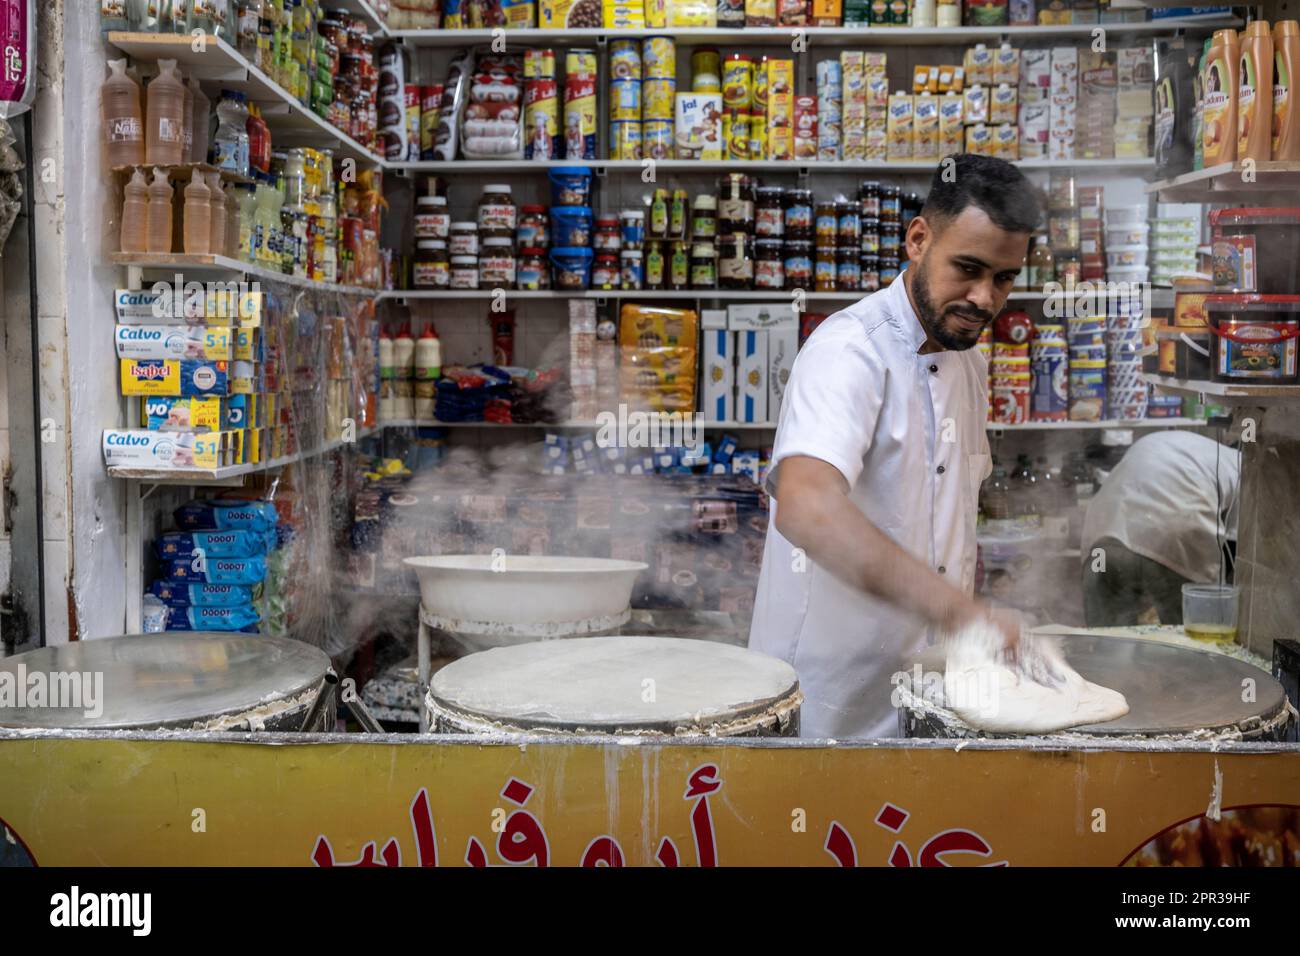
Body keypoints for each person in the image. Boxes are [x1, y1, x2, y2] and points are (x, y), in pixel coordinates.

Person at [748, 154, 1041, 739]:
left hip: (931, 706)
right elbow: (806, 506)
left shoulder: (970, 363)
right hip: (826, 714)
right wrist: (963, 615)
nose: (985, 298)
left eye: (1004, 278)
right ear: (917, 239)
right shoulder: (850, 351)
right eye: (968, 268)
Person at [1080, 430, 1239, 626]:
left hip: (1104, 532)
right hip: (1172, 532)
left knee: (1106, 638)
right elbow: (1236, 551)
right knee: (1187, 641)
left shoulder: (1194, 447)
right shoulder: (1243, 466)